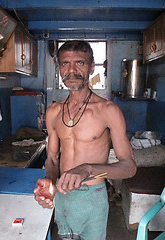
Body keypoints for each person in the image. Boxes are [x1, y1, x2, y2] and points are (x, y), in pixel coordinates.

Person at [34, 40, 137, 240]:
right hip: (64, 195)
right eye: (65, 63)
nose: (71, 70)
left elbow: (129, 167)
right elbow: (53, 159)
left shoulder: (108, 111)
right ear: (59, 68)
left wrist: (89, 169)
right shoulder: (54, 112)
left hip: (93, 196)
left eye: (79, 63)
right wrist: (49, 182)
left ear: (91, 67)